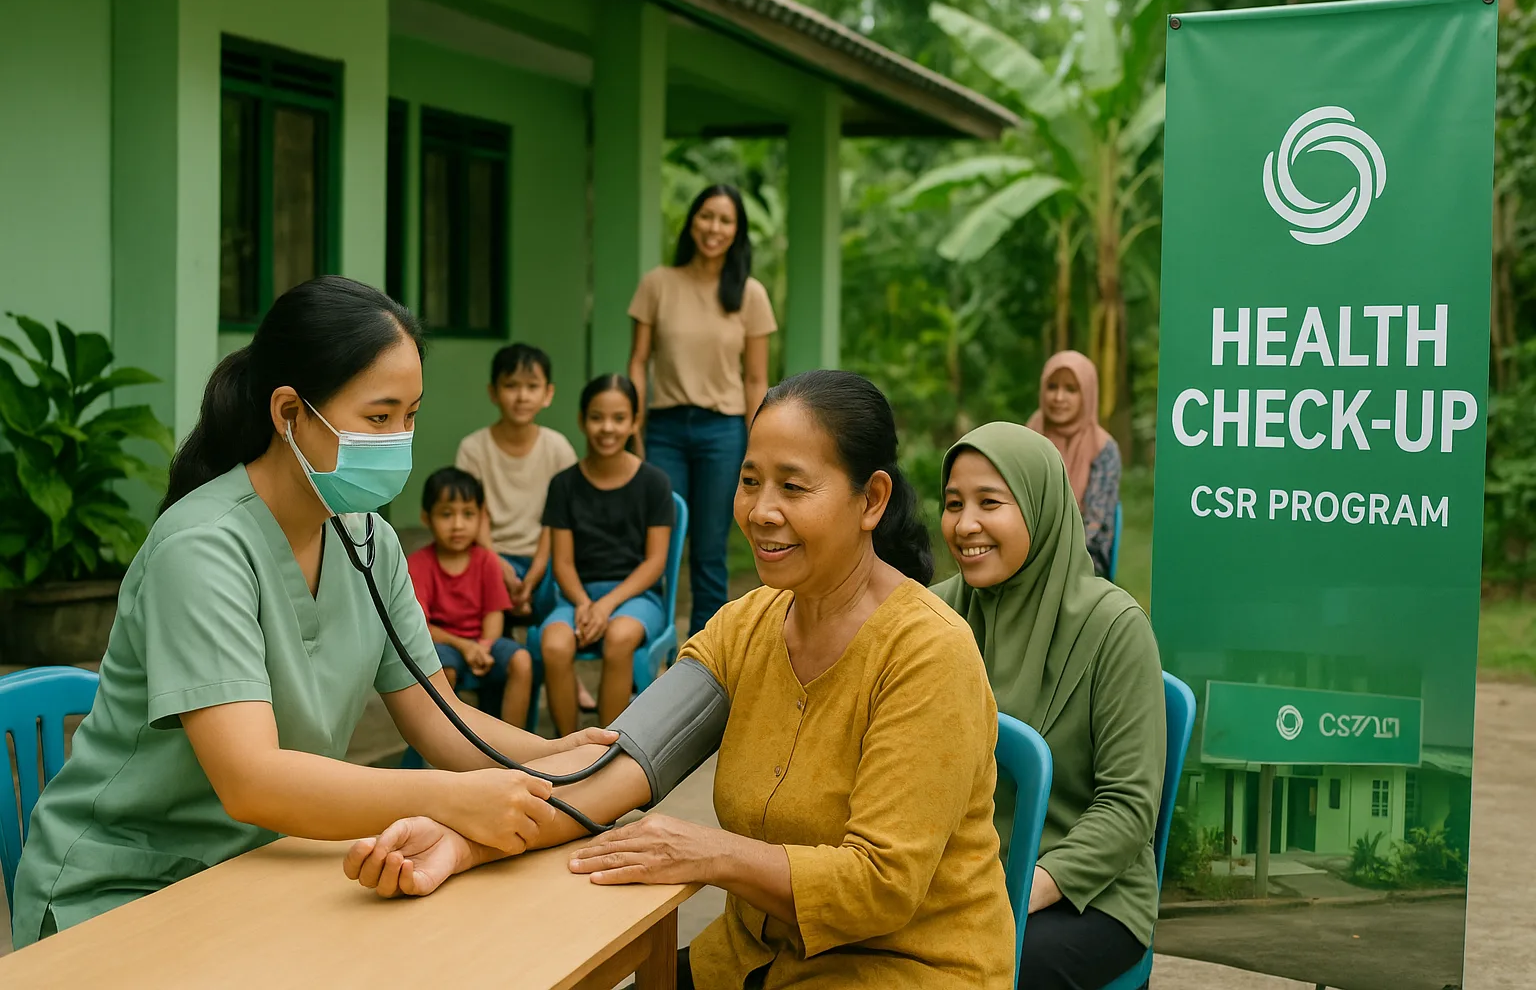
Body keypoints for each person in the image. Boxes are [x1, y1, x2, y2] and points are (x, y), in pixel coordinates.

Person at [342, 370, 1015, 990]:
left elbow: (882, 887)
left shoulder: (929, 653)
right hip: (754, 960)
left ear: (871, 500)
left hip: (906, 969)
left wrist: (713, 854)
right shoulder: (744, 627)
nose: (760, 511)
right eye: (750, 481)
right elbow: (607, 772)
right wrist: (462, 842)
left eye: (793, 485)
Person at [9, 276, 614, 949]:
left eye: (410, 416)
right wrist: (445, 797)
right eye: (378, 418)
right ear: (290, 412)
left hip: (260, 868)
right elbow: (251, 781)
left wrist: (563, 757)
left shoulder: (367, 538)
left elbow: (443, 722)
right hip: (129, 889)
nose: (399, 439)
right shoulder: (201, 549)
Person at [934, 421, 1166, 990]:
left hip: (1085, 895)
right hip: (953, 881)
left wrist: (1018, 891)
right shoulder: (936, 618)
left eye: (991, 502)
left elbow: (1128, 805)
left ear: (1040, 508)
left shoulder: (1114, 628)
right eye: (953, 503)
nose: (966, 526)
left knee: (982, 974)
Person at [627, 184, 777, 638]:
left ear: (737, 232)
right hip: (666, 428)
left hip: (723, 432)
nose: (714, 228)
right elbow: (638, 361)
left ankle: (705, 662)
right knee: (661, 544)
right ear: (692, 221)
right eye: (706, 216)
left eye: (725, 220)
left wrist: (760, 442)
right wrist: (635, 425)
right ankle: (652, 646)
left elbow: (755, 378)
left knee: (710, 550)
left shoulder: (750, 294)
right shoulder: (658, 284)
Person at [454, 343, 595, 712]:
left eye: (532, 387)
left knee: (553, 587)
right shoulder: (474, 448)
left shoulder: (557, 448)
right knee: (479, 583)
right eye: (511, 385)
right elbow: (475, 515)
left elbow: (556, 519)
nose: (521, 396)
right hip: (488, 553)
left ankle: (556, 669)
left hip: (543, 556)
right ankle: (493, 681)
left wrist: (533, 571)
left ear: (548, 394)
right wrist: (497, 563)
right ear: (493, 392)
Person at [539, 374, 673, 733]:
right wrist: (584, 602)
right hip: (575, 596)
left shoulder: (654, 483)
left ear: (634, 422)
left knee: (619, 638)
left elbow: (655, 562)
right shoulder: (564, 484)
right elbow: (562, 562)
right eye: (597, 417)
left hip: (636, 596)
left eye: (618, 418)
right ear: (582, 420)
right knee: (553, 645)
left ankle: (607, 748)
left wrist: (608, 604)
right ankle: (566, 749)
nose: (607, 428)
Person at [407, 467, 533, 726]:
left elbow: (494, 615)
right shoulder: (418, 564)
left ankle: (511, 748)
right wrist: (466, 647)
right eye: (446, 515)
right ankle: (445, 746)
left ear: (481, 518)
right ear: (426, 517)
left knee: (521, 660)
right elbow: (422, 627)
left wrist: (484, 647)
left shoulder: (486, 561)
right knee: (442, 671)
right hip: (443, 645)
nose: (458, 525)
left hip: (484, 643)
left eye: (468, 514)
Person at [1026, 350, 1122, 577]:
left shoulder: (1103, 448)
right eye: (1052, 387)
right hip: (1024, 550)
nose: (1059, 398)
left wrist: (1052, 556)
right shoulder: (1027, 436)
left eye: (1071, 389)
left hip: (1083, 556)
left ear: (1087, 394)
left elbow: (1095, 523)